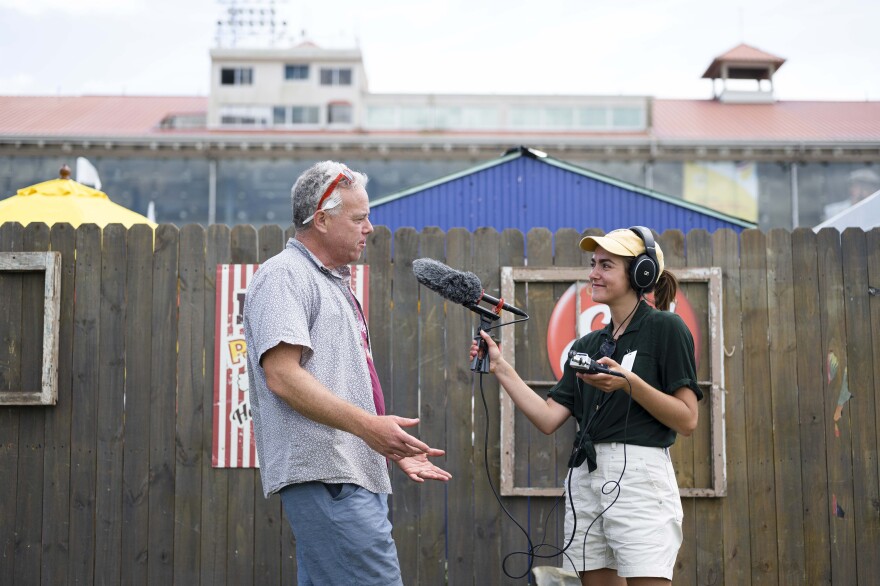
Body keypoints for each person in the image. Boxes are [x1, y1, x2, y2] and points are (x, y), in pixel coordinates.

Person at [244, 160, 451, 586]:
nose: (369, 227)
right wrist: (369, 428)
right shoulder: (285, 275)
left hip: (345, 474)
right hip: (330, 477)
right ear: (321, 219)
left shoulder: (328, 280)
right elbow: (281, 375)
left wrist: (386, 444)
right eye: (359, 217)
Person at [470, 227, 702, 586]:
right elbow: (549, 418)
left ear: (640, 273)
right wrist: (500, 366)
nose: (593, 273)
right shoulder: (588, 343)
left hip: (640, 479)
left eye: (606, 265)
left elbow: (687, 419)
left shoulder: (666, 328)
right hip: (585, 480)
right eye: (593, 263)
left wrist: (630, 384)